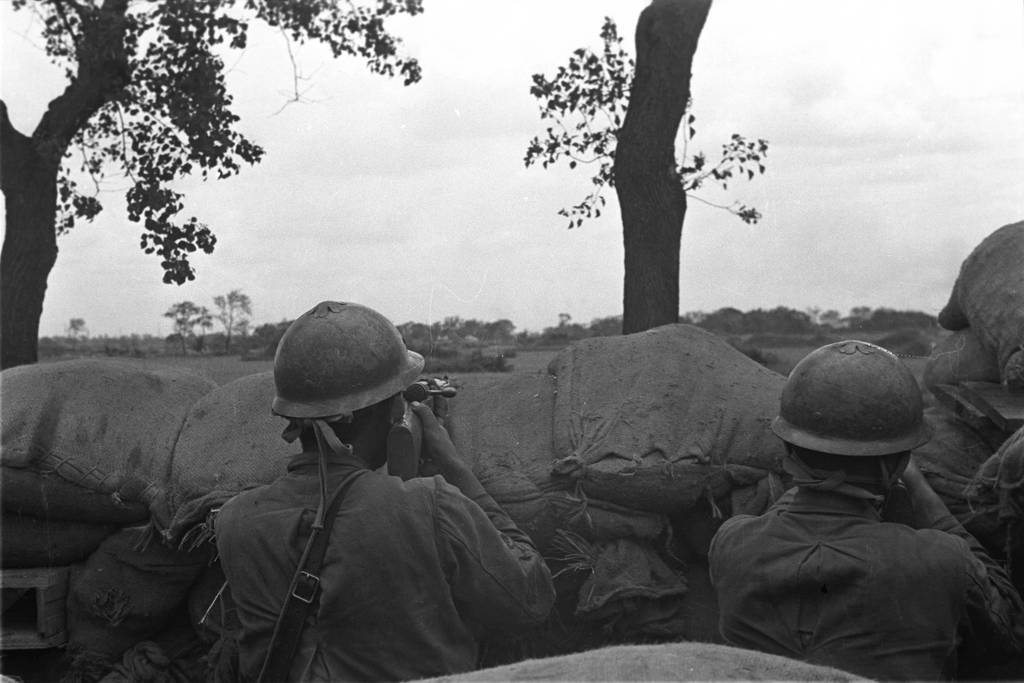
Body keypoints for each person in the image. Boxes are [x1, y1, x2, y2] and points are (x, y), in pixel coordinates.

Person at [215, 301, 555, 682]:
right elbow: (532, 596)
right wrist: (454, 466)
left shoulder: (234, 520)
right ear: (392, 409)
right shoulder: (431, 504)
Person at [708, 340, 1024, 680]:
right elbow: (1013, 631)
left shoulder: (731, 542)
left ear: (789, 450)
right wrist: (922, 493)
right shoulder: (943, 559)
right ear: (898, 465)